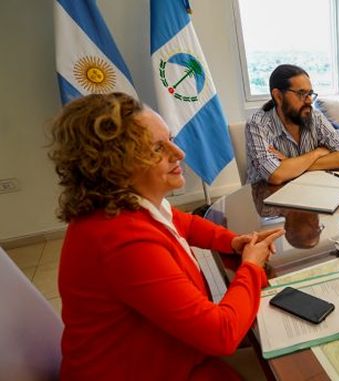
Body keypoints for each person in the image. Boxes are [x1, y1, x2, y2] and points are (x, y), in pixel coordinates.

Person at [49, 92, 285, 380]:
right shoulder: (123, 241)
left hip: (158, 355)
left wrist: (232, 242)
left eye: (170, 139)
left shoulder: (126, 205)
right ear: (115, 165)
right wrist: (250, 266)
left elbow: (185, 223)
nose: (179, 153)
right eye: (157, 149)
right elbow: (221, 334)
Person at [245, 64, 339, 185]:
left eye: (310, 94)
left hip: (308, 187)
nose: (309, 100)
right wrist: (317, 152)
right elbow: (275, 175)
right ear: (278, 96)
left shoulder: (315, 117)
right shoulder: (257, 124)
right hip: (267, 192)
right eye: (301, 93)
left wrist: (289, 163)